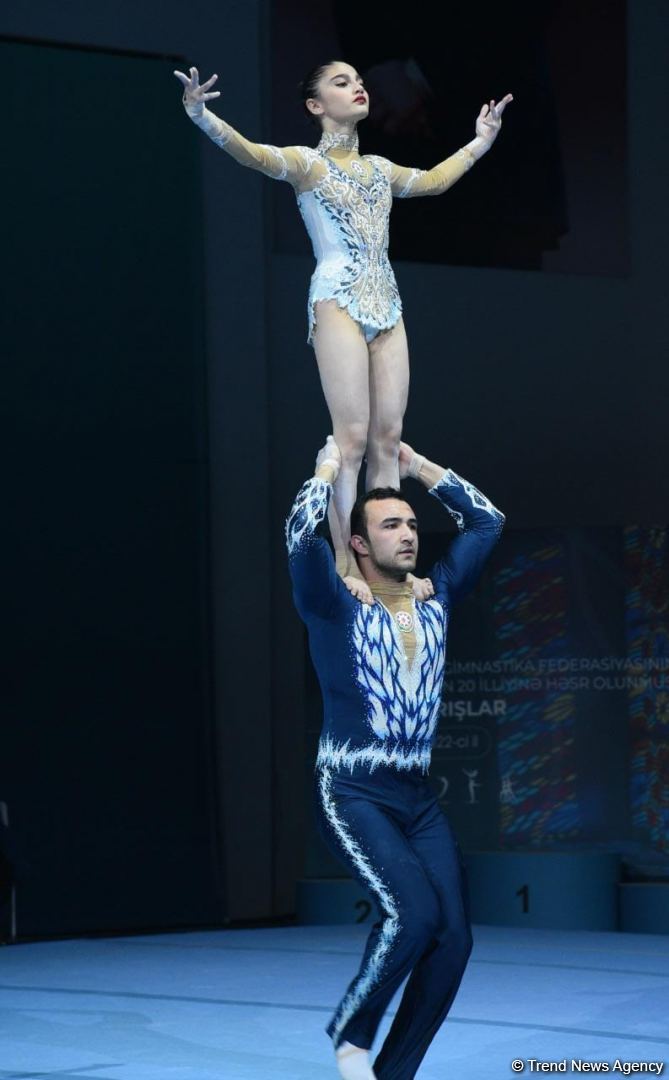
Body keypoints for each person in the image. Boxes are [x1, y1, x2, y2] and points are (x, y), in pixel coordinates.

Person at [174, 61, 512, 600]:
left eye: (358, 80)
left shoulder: (379, 169)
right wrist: (201, 116)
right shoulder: (308, 166)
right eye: (340, 82)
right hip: (338, 300)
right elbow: (255, 155)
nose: (358, 87)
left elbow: (431, 182)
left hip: (388, 303)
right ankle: (345, 563)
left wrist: (480, 142)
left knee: (388, 440)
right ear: (315, 106)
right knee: (352, 440)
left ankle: (383, 569)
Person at [285, 435, 505, 1079]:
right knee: (412, 915)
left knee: (454, 939)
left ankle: (395, 1073)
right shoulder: (332, 605)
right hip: (354, 790)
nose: (409, 533)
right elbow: (301, 537)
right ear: (358, 544)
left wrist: (418, 469)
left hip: (417, 798)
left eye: (411, 523)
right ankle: (352, 1034)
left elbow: (487, 520)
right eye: (390, 525)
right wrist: (328, 468)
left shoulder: (438, 597)